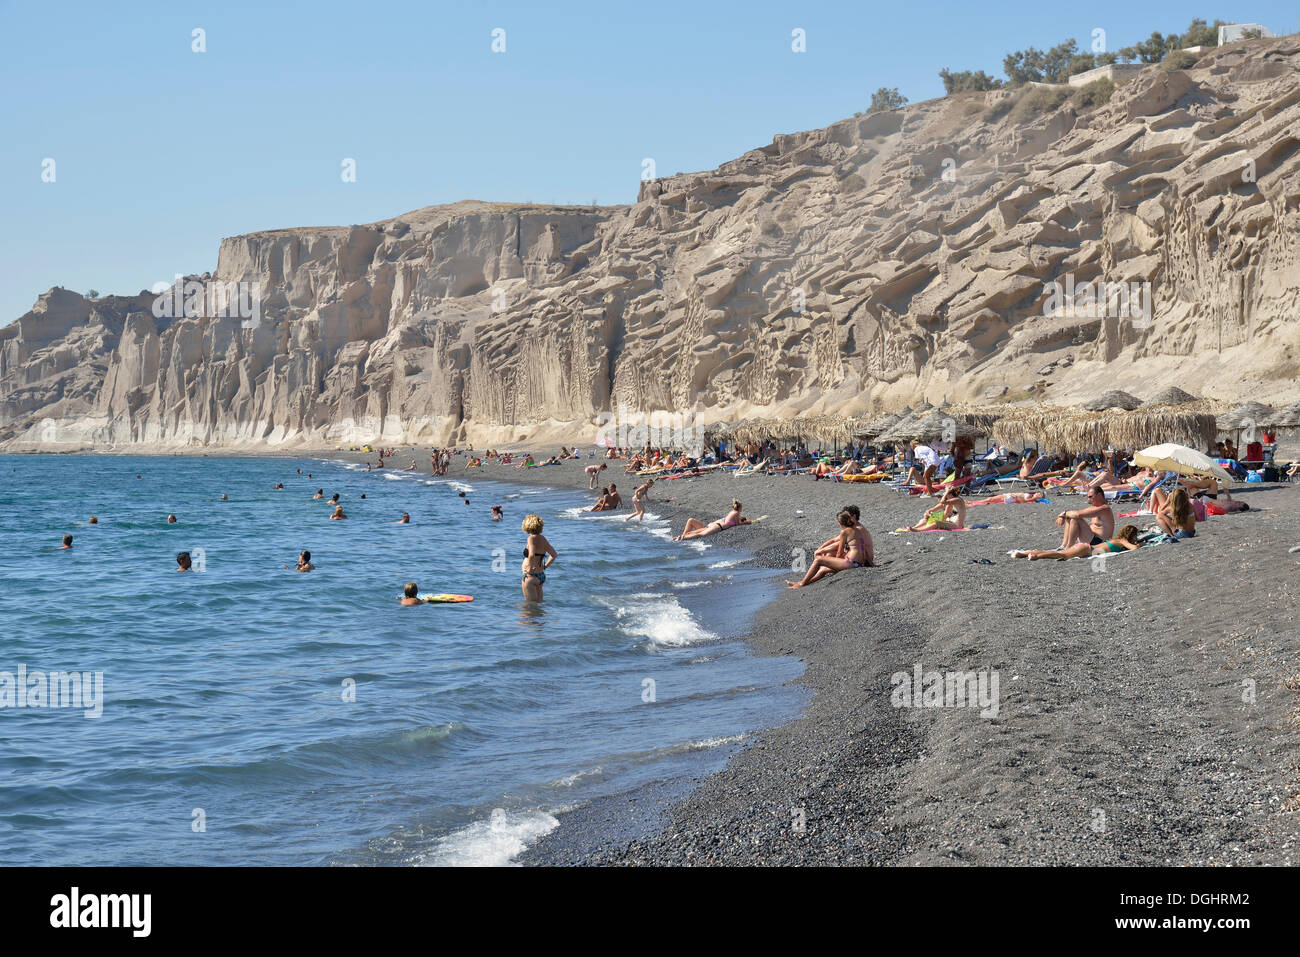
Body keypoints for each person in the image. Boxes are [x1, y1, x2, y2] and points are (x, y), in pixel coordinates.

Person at [787, 511, 870, 587]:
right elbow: (864, 548)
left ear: (840, 523)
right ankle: (802, 582)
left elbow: (839, 552)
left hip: (851, 563)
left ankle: (801, 583)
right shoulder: (858, 530)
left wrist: (834, 562)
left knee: (818, 560)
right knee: (823, 569)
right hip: (860, 563)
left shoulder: (844, 532)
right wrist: (871, 563)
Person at [1012, 525, 1140, 561]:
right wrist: (1140, 544)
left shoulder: (1114, 540)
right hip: (1087, 549)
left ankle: (1023, 554)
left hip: (1084, 547)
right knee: (1062, 555)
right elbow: (1134, 548)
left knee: (1059, 552)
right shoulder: (1122, 541)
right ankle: (1036, 556)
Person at [1052, 484, 1115, 549]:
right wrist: (1062, 516)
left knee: (1076, 519)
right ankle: (1063, 546)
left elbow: (1077, 514)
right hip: (1091, 539)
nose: (1088, 500)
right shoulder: (1094, 507)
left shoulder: (1104, 509)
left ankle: (1068, 548)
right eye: (1088, 497)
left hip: (1100, 543)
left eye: (1090, 497)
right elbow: (1075, 512)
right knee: (1070, 518)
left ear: (1099, 496)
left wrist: (1063, 514)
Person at [521, 514, 557, 601]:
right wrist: (544, 567)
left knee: (530, 607)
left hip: (530, 576)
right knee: (539, 605)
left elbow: (532, 554)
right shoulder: (543, 539)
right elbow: (554, 555)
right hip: (540, 575)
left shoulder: (531, 538)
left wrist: (530, 567)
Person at [674, 500, 749, 540]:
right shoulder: (736, 514)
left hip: (711, 525)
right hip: (716, 527)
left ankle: (682, 536)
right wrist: (746, 523)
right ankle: (682, 538)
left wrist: (743, 520)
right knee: (700, 535)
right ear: (740, 508)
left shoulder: (731, 513)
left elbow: (736, 521)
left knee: (692, 530)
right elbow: (737, 524)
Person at [968, 491, 1045, 505]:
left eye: (1039, 494)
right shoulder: (1030, 496)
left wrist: (1015, 496)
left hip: (1009, 497)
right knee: (990, 500)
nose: (1037, 492)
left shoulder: (1030, 497)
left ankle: (974, 502)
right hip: (1010, 497)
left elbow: (1024, 501)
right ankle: (974, 502)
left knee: (990, 499)